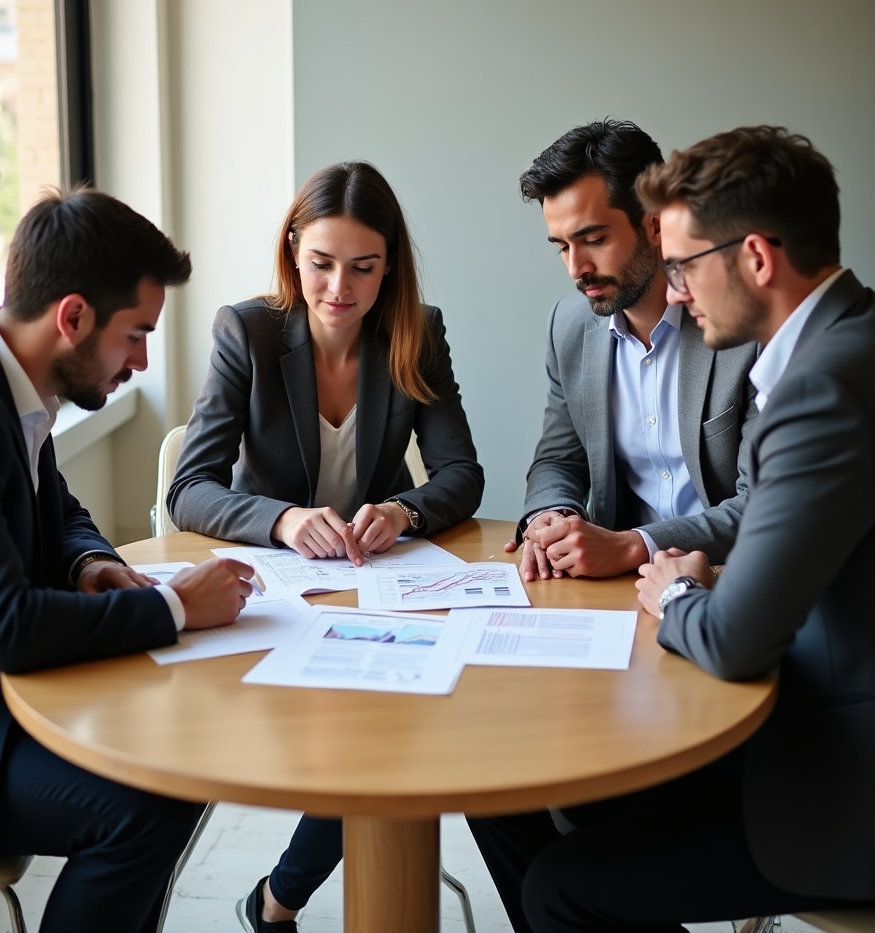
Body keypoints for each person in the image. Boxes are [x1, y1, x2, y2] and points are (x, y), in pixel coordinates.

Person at [483, 126, 875, 933]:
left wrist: (675, 583)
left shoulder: (819, 385)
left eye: (686, 262)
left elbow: (735, 638)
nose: (681, 285)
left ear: (756, 259)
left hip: (834, 773)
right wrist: (555, 516)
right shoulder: (843, 347)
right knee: (509, 790)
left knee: (561, 886)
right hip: (798, 702)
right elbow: (557, 455)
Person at [0, 187, 257, 933]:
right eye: (134, 335)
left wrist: (85, 564)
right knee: (144, 803)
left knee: (180, 753)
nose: (139, 361)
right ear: (72, 317)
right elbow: (2, 628)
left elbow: (55, 504)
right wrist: (174, 606)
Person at [167, 160, 483, 931]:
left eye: (364, 268)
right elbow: (190, 488)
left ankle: (275, 902)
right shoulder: (248, 330)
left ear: (390, 267)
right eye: (321, 263)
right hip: (274, 592)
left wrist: (405, 512)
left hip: (375, 582)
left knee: (388, 732)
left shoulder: (418, 330)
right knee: (375, 747)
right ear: (293, 253)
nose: (340, 287)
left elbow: (461, 473)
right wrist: (280, 519)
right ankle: (278, 902)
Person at [502, 120, 758, 587]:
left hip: (728, 580)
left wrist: (633, 544)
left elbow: (763, 503)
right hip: (617, 585)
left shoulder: (744, 328)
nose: (577, 269)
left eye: (594, 240)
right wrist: (549, 518)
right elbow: (560, 459)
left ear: (655, 225)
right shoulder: (570, 326)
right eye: (561, 247)